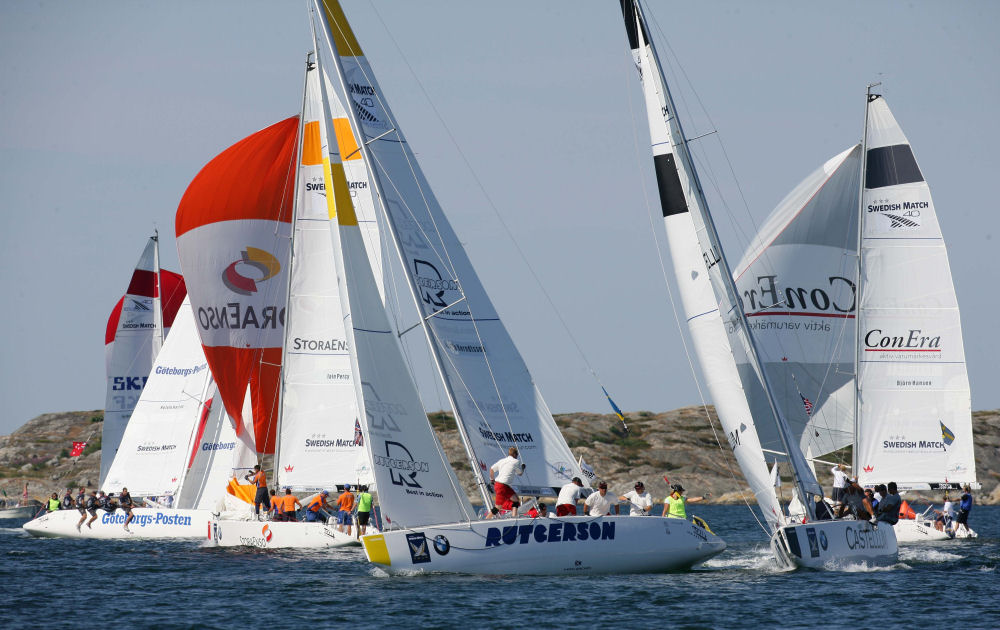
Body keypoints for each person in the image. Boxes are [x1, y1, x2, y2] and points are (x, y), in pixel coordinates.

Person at [490, 447, 525, 517]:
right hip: (502, 486)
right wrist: (523, 467)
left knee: (516, 500)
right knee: (498, 507)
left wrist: (492, 480)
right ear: (515, 454)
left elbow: (491, 469)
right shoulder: (516, 461)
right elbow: (520, 473)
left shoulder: (502, 460)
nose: (517, 456)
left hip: (502, 485)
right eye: (517, 454)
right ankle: (486, 520)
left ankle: (514, 517)